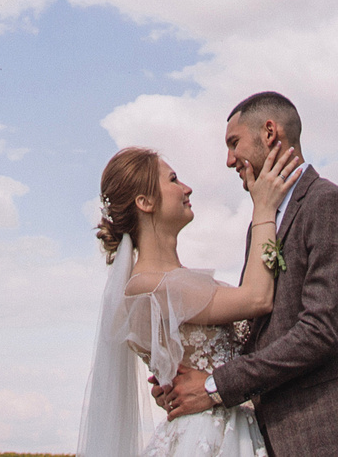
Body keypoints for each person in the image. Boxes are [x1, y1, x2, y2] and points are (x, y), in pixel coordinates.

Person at [156, 93, 338, 457]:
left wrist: (215, 385)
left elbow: (320, 332)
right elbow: (264, 331)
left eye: (234, 143)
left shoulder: (328, 205)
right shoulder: (263, 222)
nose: (229, 160)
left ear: (269, 133)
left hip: (313, 432)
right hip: (262, 429)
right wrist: (185, 379)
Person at [77, 135, 301, 457]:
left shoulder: (174, 283)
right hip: (208, 436)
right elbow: (256, 299)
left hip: (229, 426)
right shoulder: (149, 286)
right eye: (172, 179)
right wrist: (263, 209)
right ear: (145, 202)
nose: (186, 188)